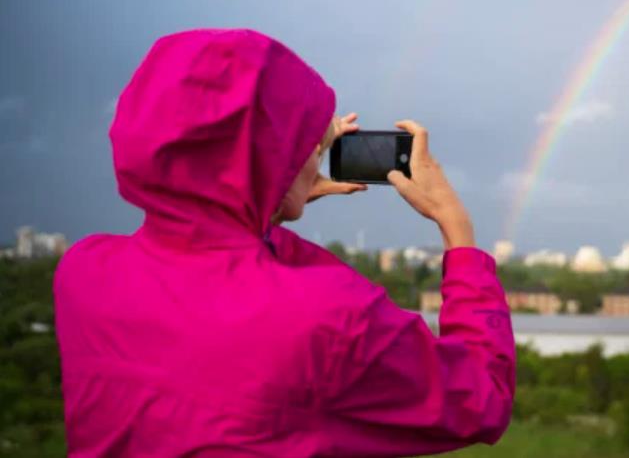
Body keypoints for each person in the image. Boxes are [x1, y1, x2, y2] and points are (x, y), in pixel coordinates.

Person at [53, 28, 515, 457]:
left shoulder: (83, 274)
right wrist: (458, 231)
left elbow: (209, 280)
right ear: (267, 156)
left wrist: (264, 204)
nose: (314, 160)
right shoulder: (329, 317)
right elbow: (482, 398)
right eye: (307, 147)